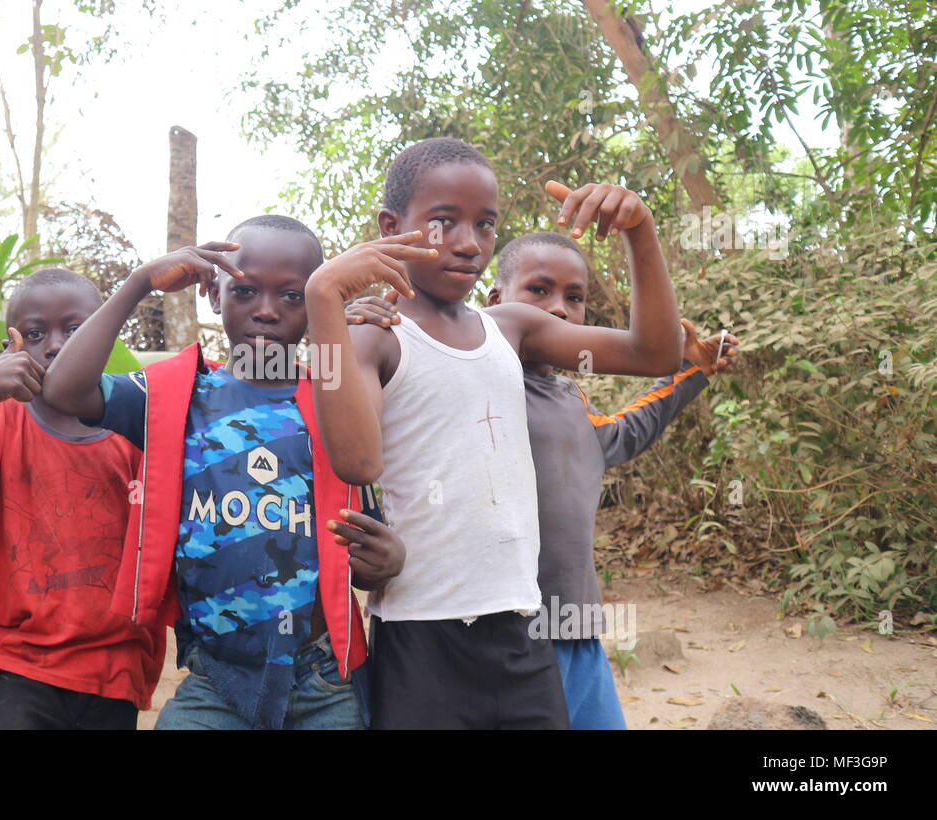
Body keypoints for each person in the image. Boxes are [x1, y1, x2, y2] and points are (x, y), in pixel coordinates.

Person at [303, 137, 683, 729]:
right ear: (390, 225)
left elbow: (655, 352)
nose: (468, 243)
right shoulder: (375, 336)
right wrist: (323, 298)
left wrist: (641, 232)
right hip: (420, 634)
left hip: (521, 628)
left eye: (485, 224)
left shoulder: (512, 328)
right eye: (443, 221)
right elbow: (356, 461)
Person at [346, 229, 741, 728]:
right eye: (539, 291)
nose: (558, 309)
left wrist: (687, 373)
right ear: (495, 302)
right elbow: (365, 435)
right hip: (490, 628)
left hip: (574, 622)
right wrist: (349, 323)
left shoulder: (570, 398)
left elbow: (619, 435)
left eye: (574, 298)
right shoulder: (459, 373)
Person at [41, 215, 404, 730]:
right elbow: (63, 391)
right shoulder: (174, 396)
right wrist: (138, 283)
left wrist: (387, 559)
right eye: (246, 291)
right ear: (213, 293)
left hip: (321, 683)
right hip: (214, 682)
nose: (266, 311)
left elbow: (364, 543)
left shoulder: (335, 408)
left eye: (293, 296)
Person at [0, 269, 165, 730]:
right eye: (34, 333)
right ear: (13, 342)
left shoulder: (137, 425)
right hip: (17, 663)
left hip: (113, 671)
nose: (55, 344)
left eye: (76, 329)